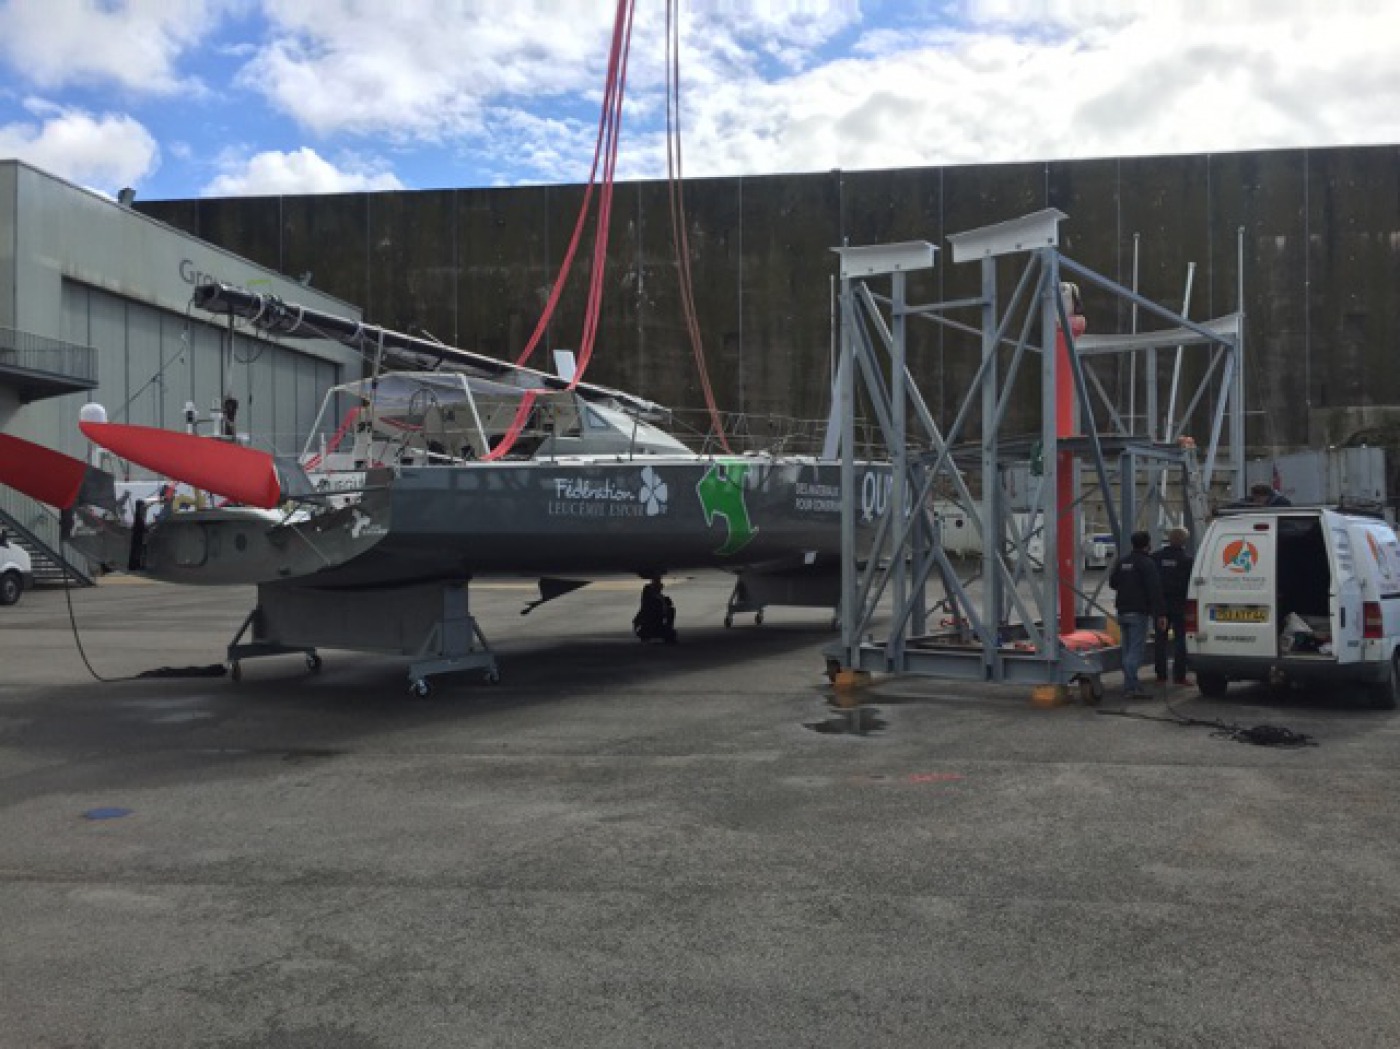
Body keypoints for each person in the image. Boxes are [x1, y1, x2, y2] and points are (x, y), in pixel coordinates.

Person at [1109, 531, 1167, 699]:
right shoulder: (1147, 563)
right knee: (1135, 652)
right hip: (1138, 612)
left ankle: (1130, 686)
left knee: (1127, 650)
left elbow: (1113, 583)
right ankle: (1132, 687)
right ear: (1148, 545)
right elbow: (1155, 590)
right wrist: (1161, 613)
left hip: (1122, 610)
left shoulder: (1123, 561)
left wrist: (1127, 585)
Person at [1152, 527, 1194, 685]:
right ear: (1184, 541)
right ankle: (1179, 676)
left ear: (1169, 539)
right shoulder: (1187, 560)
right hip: (1180, 605)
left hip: (1160, 605)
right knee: (1180, 639)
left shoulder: (1156, 557)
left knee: (1160, 639)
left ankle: (1161, 675)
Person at [633, 575, 678, 644]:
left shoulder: (656, 599)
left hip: (649, 628)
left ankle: (660, 633)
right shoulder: (653, 600)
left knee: (670, 612)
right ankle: (662, 633)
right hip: (649, 628)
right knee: (670, 611)